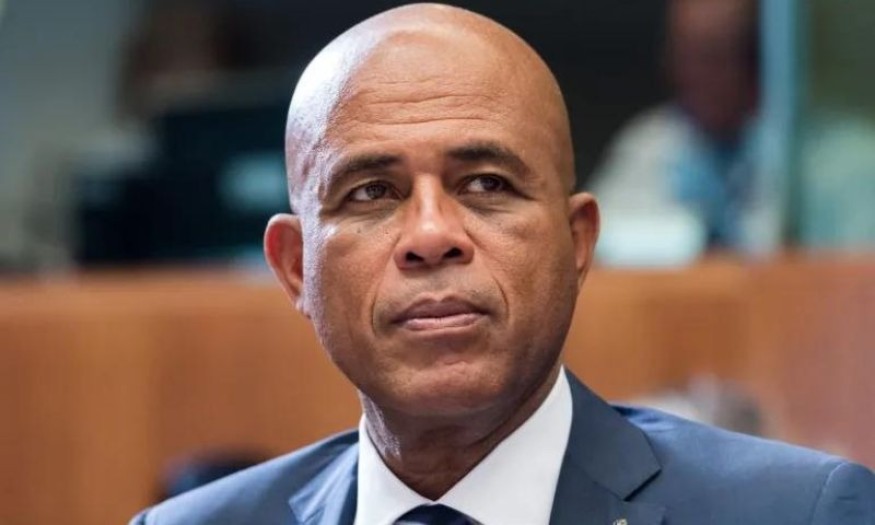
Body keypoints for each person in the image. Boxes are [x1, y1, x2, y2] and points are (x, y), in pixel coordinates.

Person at [131, 4, 875, 524]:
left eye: (485, 184)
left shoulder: (797, 512)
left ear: (577, 242)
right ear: (296, 267)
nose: (431, 235)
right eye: (372, 192)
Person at [591, 0, 768, 261]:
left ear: (752, 60)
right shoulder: (647, 145)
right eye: (684, 56)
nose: (695, 74)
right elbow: (596, 241)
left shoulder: (789, 148)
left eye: (712, 57)